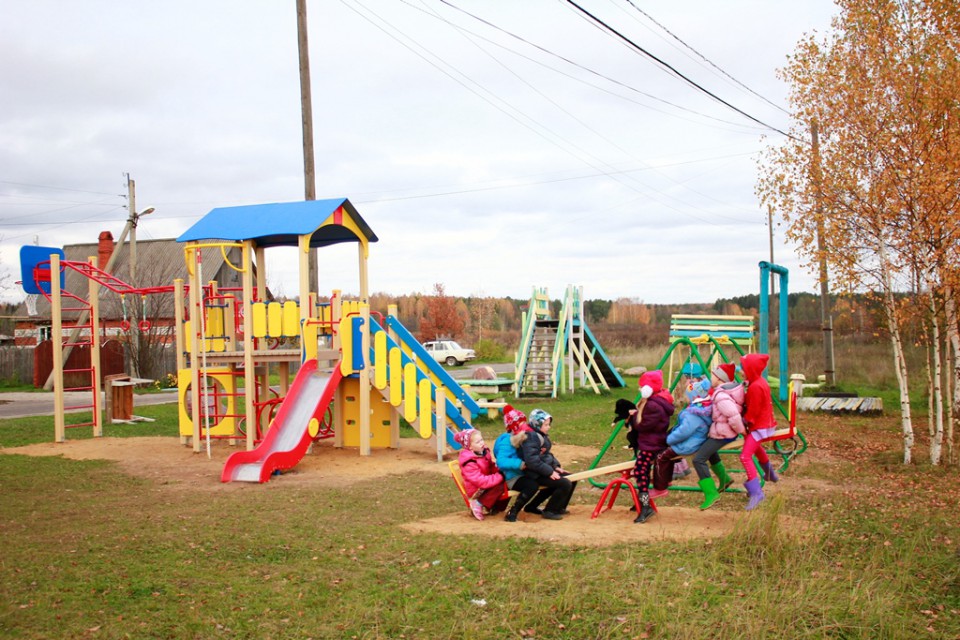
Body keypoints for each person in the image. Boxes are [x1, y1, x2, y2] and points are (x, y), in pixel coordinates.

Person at [650, 375, 713, 498]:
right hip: (696, 441)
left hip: (688, 444)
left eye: (687, 395)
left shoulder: (693, 414)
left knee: (660, 457)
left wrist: (670, 439)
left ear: (693, 396)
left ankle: (660, 488)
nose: (686, 398)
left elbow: (684, 431)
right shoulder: (703, 409)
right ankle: (665, 480)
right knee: (667, 456)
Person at [690, 362, 742, 510]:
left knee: (698, 460)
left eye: (712, 375)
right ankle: (724, 478)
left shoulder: (721, 396)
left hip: (724, 433)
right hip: (723, 431)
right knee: (708, 451)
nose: (710, 377)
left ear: (720, 378)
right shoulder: (723, 391)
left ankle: (711, 493)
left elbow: (733, 415)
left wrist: (742, 431)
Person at [625, 369, 675, 523]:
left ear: (648, 389)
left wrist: (633, 419)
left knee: (640, 472)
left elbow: (644, 426)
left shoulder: (653, 405)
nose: (640, 389)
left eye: (642, 386)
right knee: (642, 472)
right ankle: (642, 502)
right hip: (650, 443)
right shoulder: (656, 401)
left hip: (651, 445)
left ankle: (645, 506)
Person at [519, 408, 576, 520]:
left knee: (572, 478)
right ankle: (550, 510)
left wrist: (555, 466)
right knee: (564, 483)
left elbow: (546, 455)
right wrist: (549, 471)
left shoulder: (540, 435)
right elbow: (532, 461)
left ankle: (556, 507)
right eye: (545, 425)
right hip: (533, 474)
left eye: (548, 424)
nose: (548, 427)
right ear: (537, 424)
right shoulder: (530, 437)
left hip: (541, 471)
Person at [739, 353, 780, 510]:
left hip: (760, 427)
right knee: (756, 448)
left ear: (751, 369)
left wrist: (744, 422)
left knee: (745, 456)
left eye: (743, 368)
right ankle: (770, 474)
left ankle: (757, 493)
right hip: (765, 424)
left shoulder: (756, 387)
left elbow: (753, 412)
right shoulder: (758, 382)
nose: (741, 371)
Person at [492, 405, 541, 522]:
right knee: (531, 486)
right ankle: (513, 512)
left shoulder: (521, 436)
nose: (525, 426)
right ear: (514, 426)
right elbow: (501, 461)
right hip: (512, 477)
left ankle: (533, 507)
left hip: (521, 473)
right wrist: (519, 463)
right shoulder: (507, 440)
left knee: (539, 480)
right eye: (521, 423)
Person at [455, 428, 509, 521]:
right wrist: (500, 476)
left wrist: (500, 469)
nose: (482, 443)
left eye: (481, 440)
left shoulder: (483, 452)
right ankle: (478, 503)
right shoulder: (469, 462)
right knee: (501, 484)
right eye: (478, 442)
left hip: (486, 482)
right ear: (470, 447)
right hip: (476, 489)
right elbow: (480, 481)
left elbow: (490, 466)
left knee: (508, 480)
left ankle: (495, 508)